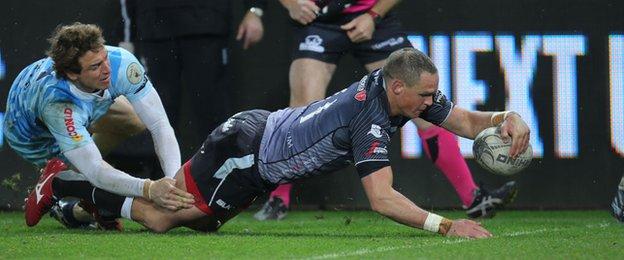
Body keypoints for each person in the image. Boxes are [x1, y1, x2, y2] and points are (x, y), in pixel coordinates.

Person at [35, 48, 530, 238]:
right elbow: (381, 198)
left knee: (200, 224)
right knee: (165, 216)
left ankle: (79, 211)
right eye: (425, 97)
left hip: (260, 157)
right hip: (244, 150)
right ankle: (64, 185)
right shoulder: (370, 115)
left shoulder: (402, 94)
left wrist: (507, 116)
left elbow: (464, 121)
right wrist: (446, 227)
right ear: (398, 88)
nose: (431, 104)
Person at [255, 0, 516, 220]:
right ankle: (279, 198)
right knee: (302, 114)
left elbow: (458, 118)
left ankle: (473, 198)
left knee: (425, 107)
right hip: (318, 19)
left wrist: (373, 14)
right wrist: (291, 3)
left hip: (374, 18)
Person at [2, 23, 195, 228]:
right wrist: (149, 188)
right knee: (95, 174)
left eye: (104, 58)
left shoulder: (119, 62)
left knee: (133, 121)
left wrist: (173, 183)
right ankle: (57, 182)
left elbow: (159, 125)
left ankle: (79, 205)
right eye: (95, 67)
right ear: (72, 73)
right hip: (31, 137)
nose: (107, 70)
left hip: (80, 108)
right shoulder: (57, 104)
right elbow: (95, 169)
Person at [120, 0, 267, 158]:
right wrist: (125, 38)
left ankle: (219, 175)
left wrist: (254, 9)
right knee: (156, 113)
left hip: (207, 22)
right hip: (154, 25)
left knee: (212, 111)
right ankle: (159, 179)